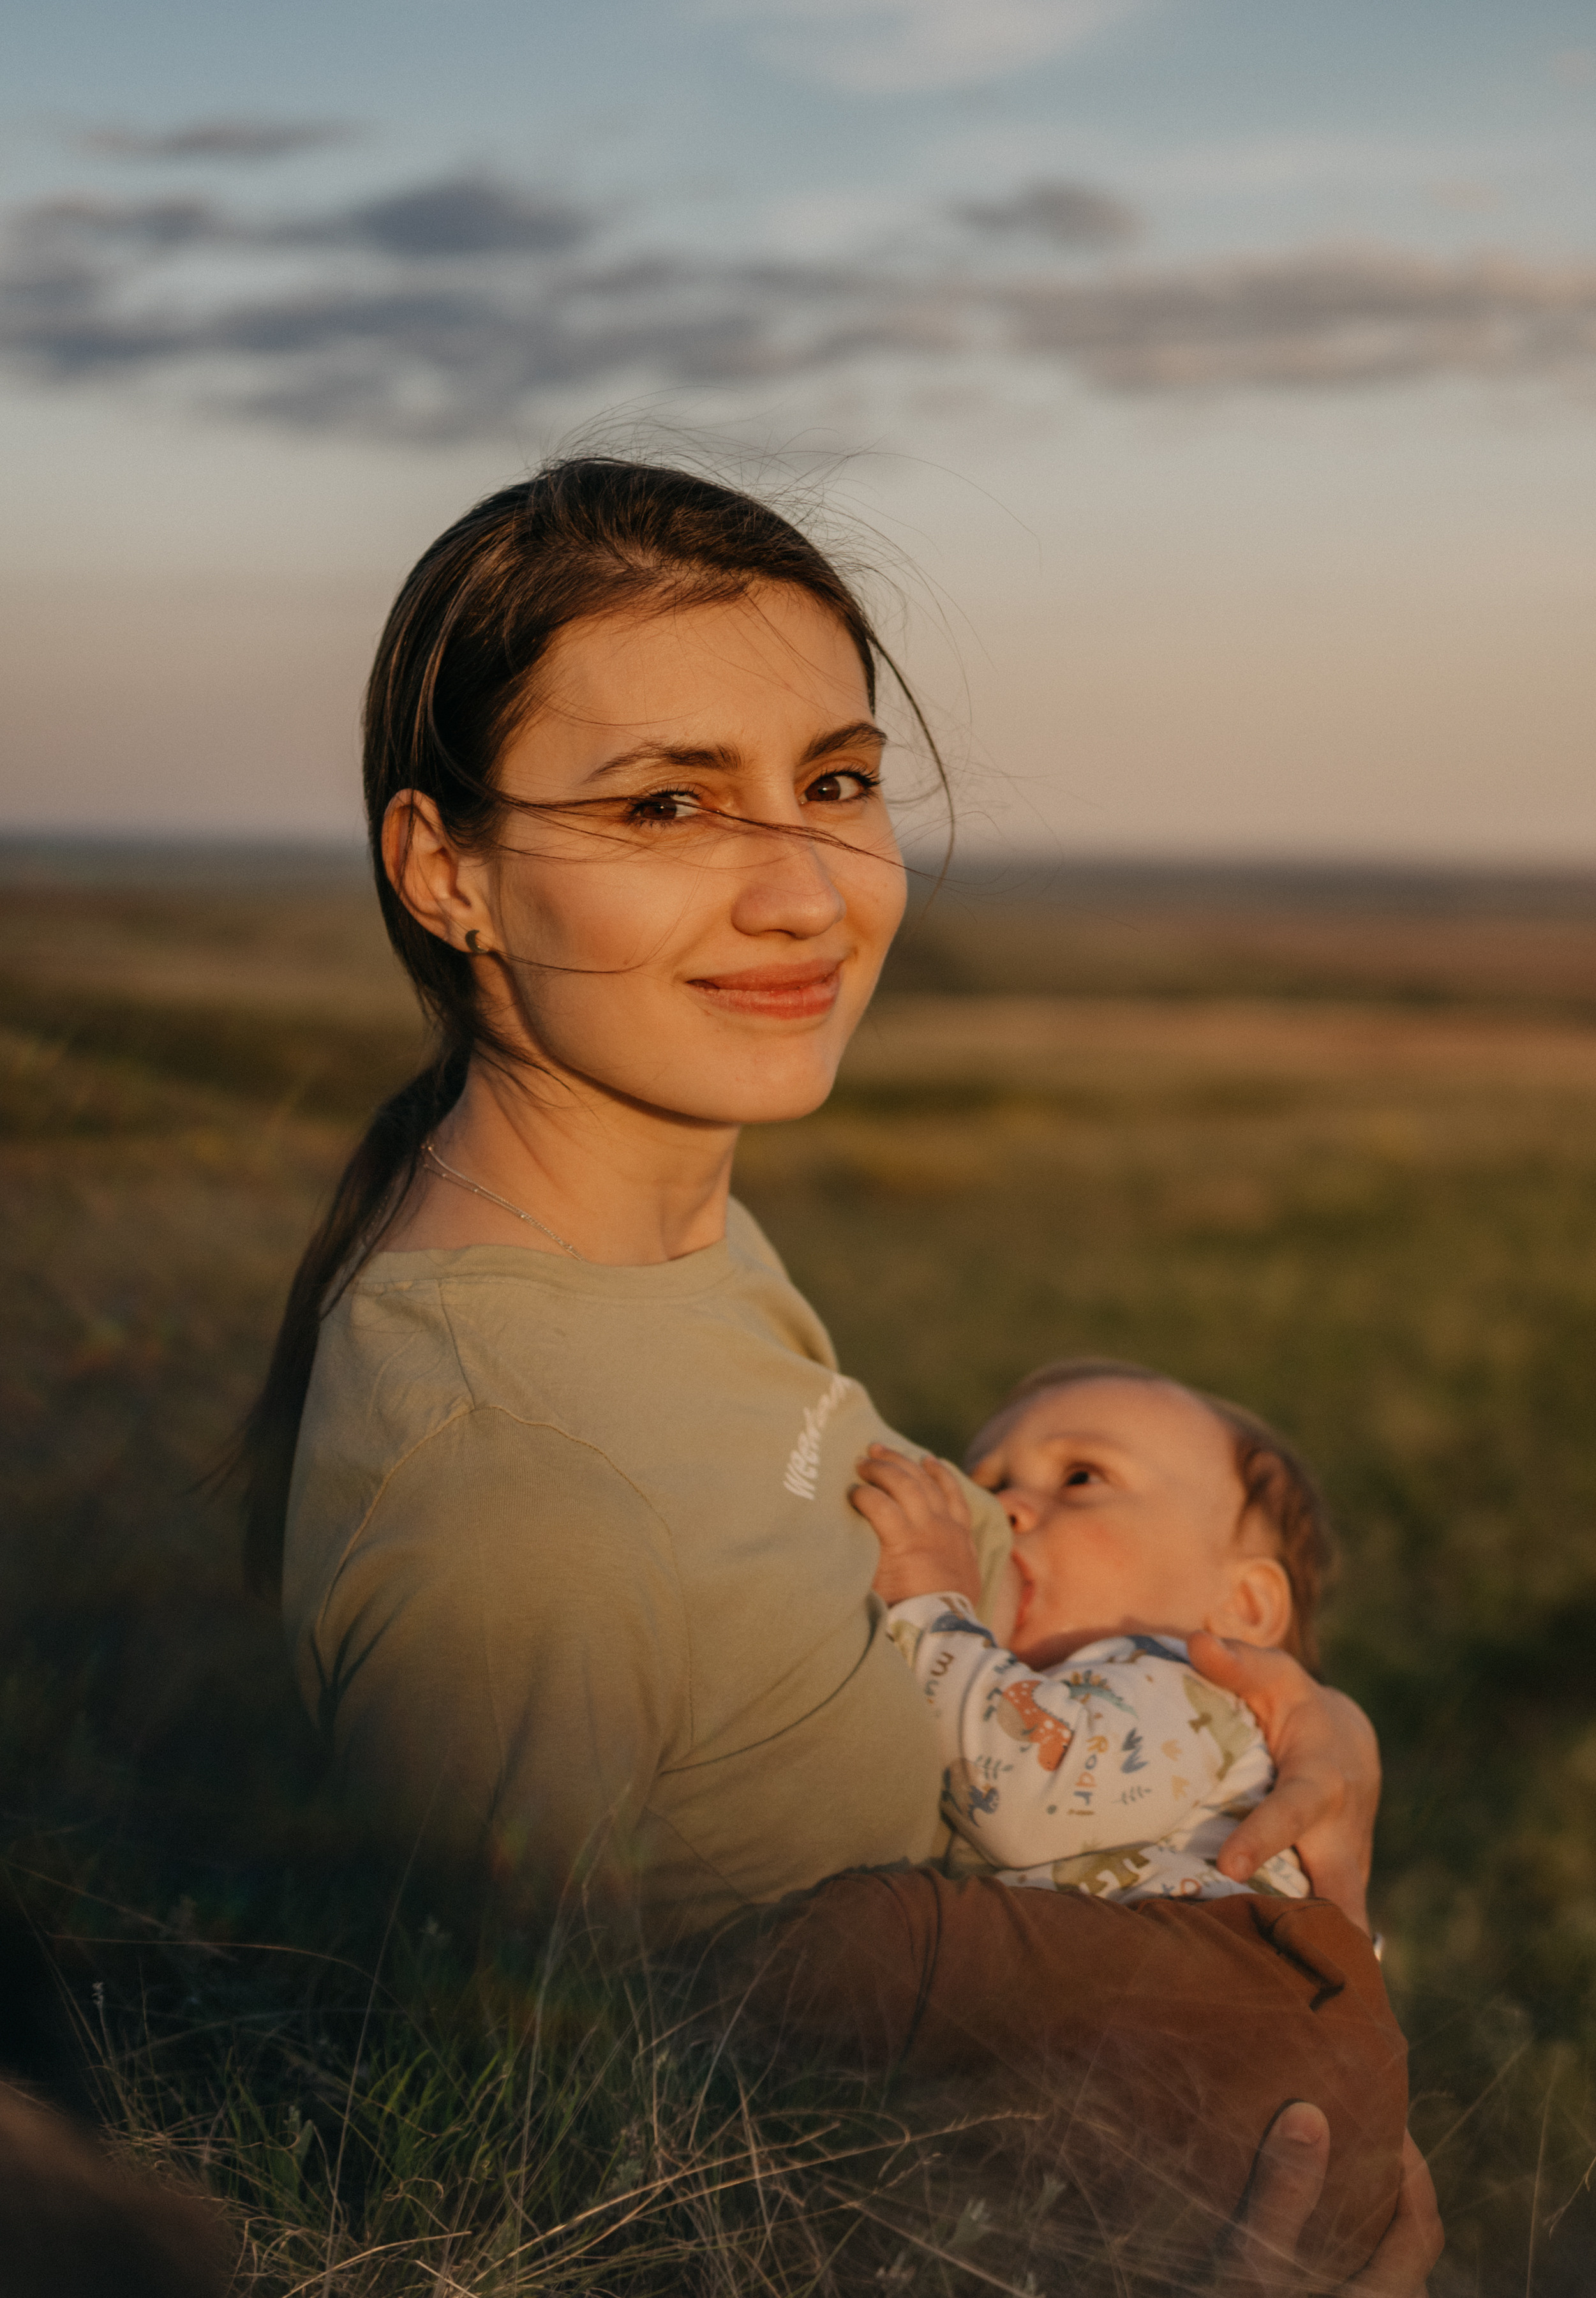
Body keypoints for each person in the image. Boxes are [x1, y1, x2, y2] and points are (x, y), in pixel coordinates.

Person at [241, 457, 1441, 2288]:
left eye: (835, 784)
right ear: (444, 869)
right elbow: (503, 2203)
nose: (804, 892)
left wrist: (1292, 1723)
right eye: (665, 806)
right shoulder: (515, 1502)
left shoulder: (674, 1238)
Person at [851, 1358, 1339, 1904]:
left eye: (1080, 1478)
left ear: (1243, 1607)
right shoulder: (982, 1697)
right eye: (986, 1488)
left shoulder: (1190, 1691)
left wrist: (927, 1603)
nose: (1002, 1509)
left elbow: (1032, 1800)